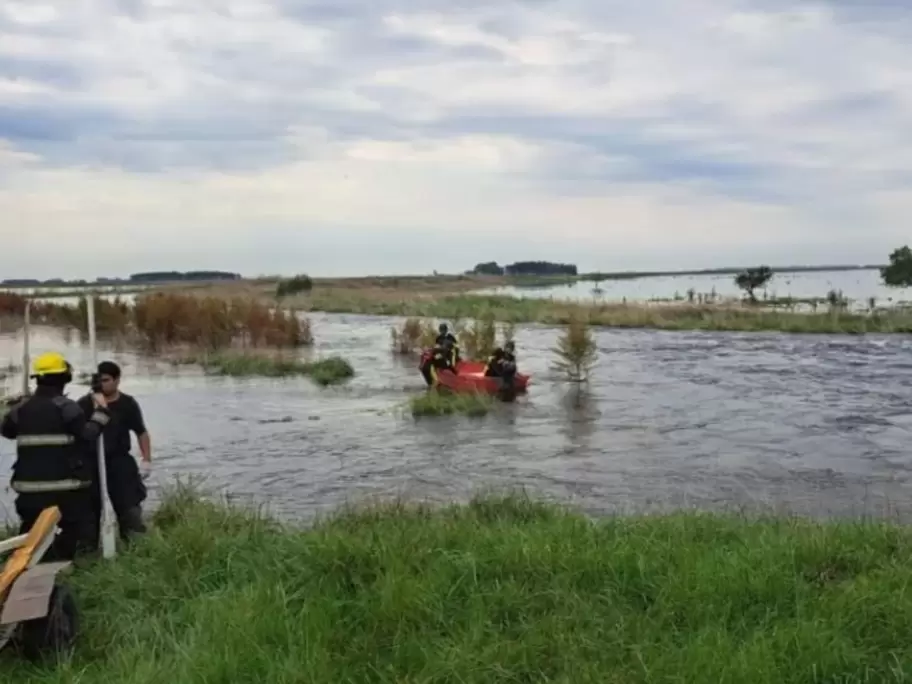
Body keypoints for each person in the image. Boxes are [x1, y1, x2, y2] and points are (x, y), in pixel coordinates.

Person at [0, 352, 111, 561]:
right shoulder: (67, 408)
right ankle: (73, 568)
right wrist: (101, 414)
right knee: (74, 535)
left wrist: (16, 407)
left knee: (31, 539)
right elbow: (88, 435)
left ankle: (26, 568)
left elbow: (6, 431)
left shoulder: (21, 409)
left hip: (29, 494)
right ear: (64, 378)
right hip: (66, 492)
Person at [77, 361, 151, 542]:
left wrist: (147, 459)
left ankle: (136, 546)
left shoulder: (128, 403)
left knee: (130, 508)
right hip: (91, 463)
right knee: (88, 512)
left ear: (117, 380)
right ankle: (89, 550)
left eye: (106, 380)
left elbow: (141, 432)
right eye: (99, 380)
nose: (103, 384)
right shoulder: (84, 404)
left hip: (120, 463)